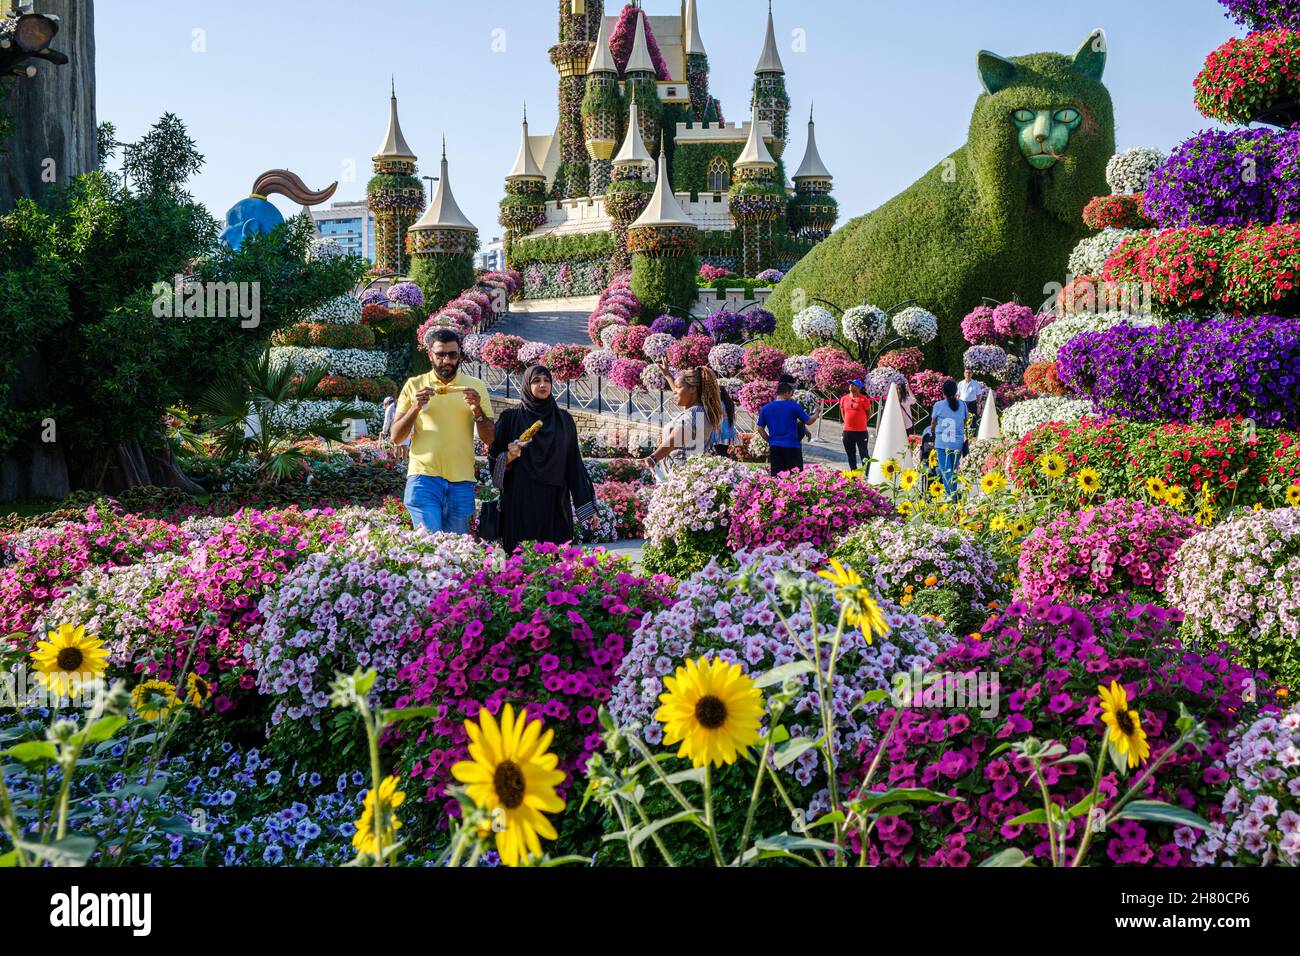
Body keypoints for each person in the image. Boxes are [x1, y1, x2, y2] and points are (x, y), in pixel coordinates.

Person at [390, 329, 494, 534]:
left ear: (460, 355)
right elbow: (396, 436)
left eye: (453, 354)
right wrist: (415, 407)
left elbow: (490, 437)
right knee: (430, 544)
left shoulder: (475, 386)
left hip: (462, 480)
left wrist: (478, 411)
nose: (447, 360)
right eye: (440, 354)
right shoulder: (415, 385)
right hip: (423, 478)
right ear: (430, 355)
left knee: (456, 548)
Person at [490, 365, 596, 553]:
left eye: (547, 380)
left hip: (554, 502)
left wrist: (586, 505)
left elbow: (574, 464)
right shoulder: (510, 418)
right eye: (536, 381)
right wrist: (509, 456)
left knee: (555, 561)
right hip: (520, 500)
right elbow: (494, 458)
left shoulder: (564, 420)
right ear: (526, 385)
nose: (542, 385)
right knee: (521, 560)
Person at [643, 365, 725, 472]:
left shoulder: (692, 415)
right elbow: (681, 394)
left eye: (678, 387)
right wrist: (668, 376)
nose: (674, 392)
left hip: (678, 472)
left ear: (693, 389)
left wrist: (653, 459)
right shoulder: (700, 411)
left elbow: (673, 441)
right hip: (688, 472)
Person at [758, 377, 819, 476]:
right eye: (791, 393)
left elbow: (760, 429)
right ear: (786, 392)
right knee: (796, 476)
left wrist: (770, 440)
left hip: (775, 446)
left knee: (776, 476)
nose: (791, 396)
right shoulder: (793, 406)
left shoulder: (766, 408)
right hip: (792, 446)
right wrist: (816, 413)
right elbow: (809, 421)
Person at [931, 379, 969, 499]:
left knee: (945, 471)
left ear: (943, 392)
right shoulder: (962, 404)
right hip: (957, 443)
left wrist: (933, 429)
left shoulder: (938, 405)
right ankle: (954, 494)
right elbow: (965, 421)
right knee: (953, 471)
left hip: (942, 444)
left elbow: (933, 422)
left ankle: (951, 497)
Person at [839, 379, 871, 472]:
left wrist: (863, 421)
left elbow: (869, 412)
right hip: (848, 431)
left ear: (858, 388)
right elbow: (843, 413)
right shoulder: (844, 399)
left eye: (853, 384)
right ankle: (854, 474)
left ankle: (867, 474)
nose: (851, 386)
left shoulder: (863, 399)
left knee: (864, 454)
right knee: (850, 454)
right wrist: (847, 424)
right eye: (850, 384)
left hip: (861, 432)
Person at [711, 386, 739, 457]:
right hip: (729, 431)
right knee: (724, 451)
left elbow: (717, 417)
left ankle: (725, 465)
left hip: (719, 431)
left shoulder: (718, 403)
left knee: (720, 452)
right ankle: (727, 464)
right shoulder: (730, 403)